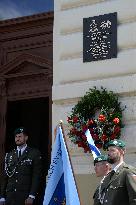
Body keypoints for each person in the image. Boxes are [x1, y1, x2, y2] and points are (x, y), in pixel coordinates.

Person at [0, 127, 42, 205]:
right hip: (10, 197)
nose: (17, 139)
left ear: (26, 138)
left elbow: (36, 176)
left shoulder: (34, 153)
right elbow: (5, 177)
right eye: (16, 137)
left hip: (24, 197)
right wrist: (2, 196)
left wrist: (32, 196)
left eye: (20, 136)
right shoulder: (10, 155)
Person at [99, 139, 136, 205]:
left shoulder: (128, 171)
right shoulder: (108, 177)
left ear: (122, 152)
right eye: (108, 150)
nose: (108, 153)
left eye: (112, 150)